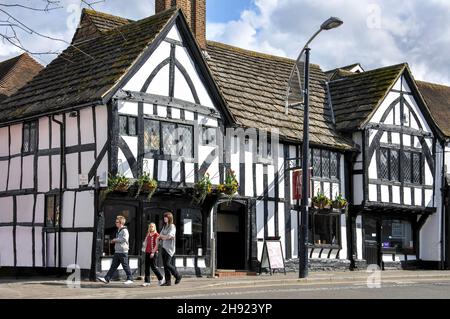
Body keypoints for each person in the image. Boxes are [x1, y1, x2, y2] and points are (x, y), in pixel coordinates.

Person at [97, 215, 134, 285]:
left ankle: (130, 279)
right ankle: (106, 279)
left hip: (123, 251)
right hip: (117, 251)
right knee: (113, 266)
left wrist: (115, 240)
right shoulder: (118, 230)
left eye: (117, 222)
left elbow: (124, 239)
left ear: (121, 223)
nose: (115, 223)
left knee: (125, 265)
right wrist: (114, 241)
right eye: (116, 222)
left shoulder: (125, 230)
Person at [159, 212, 182, 286]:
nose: (164, 218)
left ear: (169, 218)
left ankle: (177, 275)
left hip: (170, 249)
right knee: (165, 266)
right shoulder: (165, 226)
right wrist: (165, 237)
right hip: (164, 247)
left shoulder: (172, 226)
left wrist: (164, 237)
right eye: (164, 217)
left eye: (166, 217)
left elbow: (169, 236)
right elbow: (160, 235)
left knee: (167, 264)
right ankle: (168, 281)